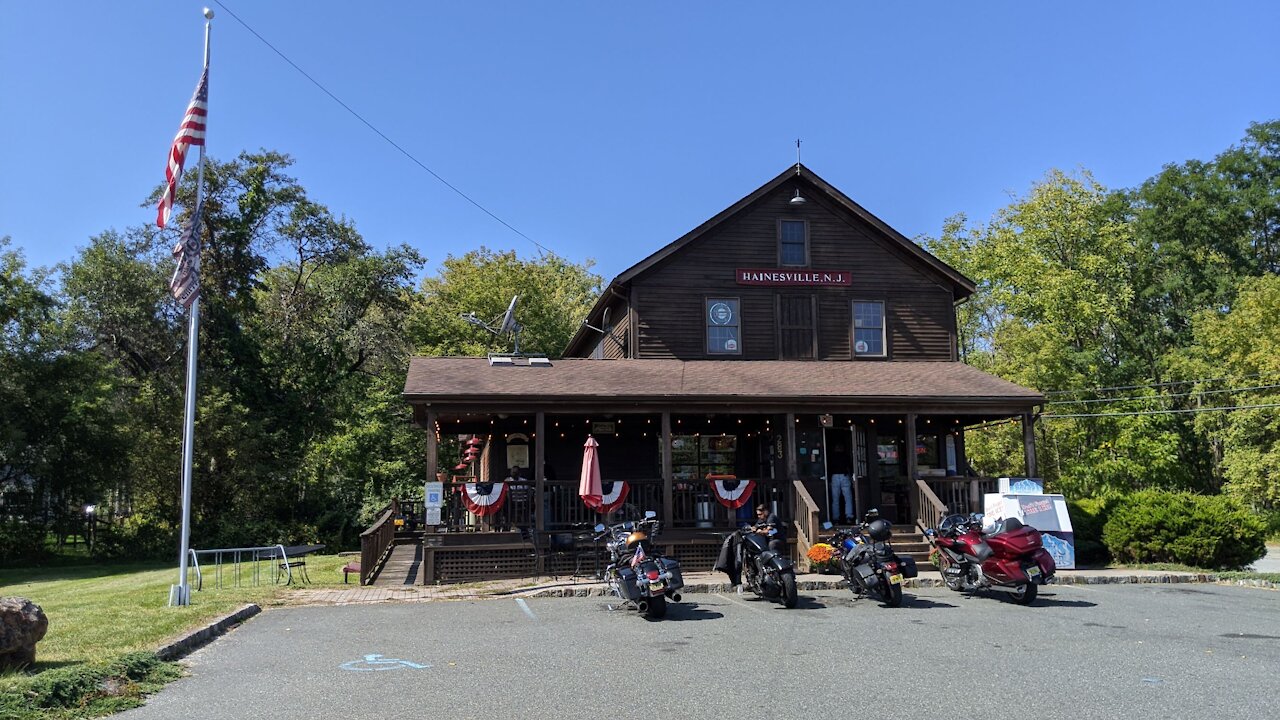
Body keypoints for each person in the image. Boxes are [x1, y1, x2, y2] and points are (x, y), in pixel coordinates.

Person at [828, 443, 854, 525]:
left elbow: (828, 468)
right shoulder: (845, 456)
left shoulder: (831, 457)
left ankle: (836, 518)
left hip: (834, 476)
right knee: (848, 498)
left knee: (835, 499)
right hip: (844, 475)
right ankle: (849, 516)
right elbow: (850, 466)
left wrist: (829, 480)